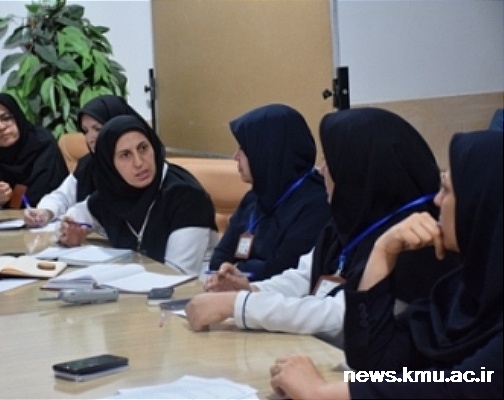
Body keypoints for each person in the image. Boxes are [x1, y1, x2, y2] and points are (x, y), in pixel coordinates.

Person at [186, 108, 454, 347]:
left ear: (358, 170)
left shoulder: (415, 238)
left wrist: (239, 305)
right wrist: (251, 290)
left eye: (332, 161)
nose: (322, 170)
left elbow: (341, 316)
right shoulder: (349, 220)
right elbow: (304, 276)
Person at [269, 130, 502, 399]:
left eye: (447, 190)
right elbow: (374, 361)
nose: (437, 201)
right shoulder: (459, 289)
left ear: (482, 203)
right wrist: (383, 252)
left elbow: (468, 386)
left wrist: (322, 392)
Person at [59, 114, 218, 277]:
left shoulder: (187, 197)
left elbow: (177, 274)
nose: (139, 162)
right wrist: (72, 232)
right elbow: (76, 216)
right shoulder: (113, 193)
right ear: (109, 164)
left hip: (194, 288)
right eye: (125, 155)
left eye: (143, 148)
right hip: (138, 286)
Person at [208, 103, 331, 281]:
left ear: (268, 150)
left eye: (243, 148)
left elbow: (284, 269)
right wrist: (238, 270)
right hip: (238, 292)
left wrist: (237, 269)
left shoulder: (317, 204)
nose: (235, 156)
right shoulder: (254, 196)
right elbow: (218, 260)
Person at [23, 95, 147, 227]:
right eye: (85, 131)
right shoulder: (89, 164)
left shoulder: (142, 165)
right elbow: (62, 196)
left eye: (98, 129)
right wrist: (45, 212)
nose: (90, 138)